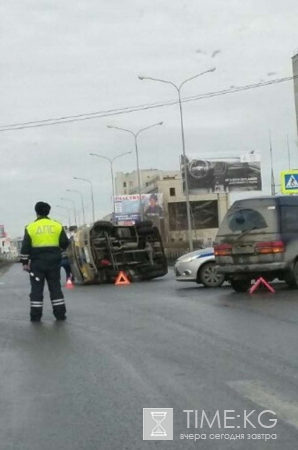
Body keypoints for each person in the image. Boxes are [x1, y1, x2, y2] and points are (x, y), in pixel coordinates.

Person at [20, 201, 70, 322]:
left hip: (37, 265)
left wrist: (25, 263)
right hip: (54, 263)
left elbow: (25, 247)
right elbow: (65, 243)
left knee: (36, 289)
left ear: (36, 212)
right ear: (48, 211)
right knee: (55, 287)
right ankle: (60, 314)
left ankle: (36, 316)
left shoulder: (30, 227)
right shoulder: (57, 225)